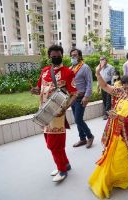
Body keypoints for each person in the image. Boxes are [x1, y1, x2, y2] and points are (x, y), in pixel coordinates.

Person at [89, 67, 128, 199]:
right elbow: (104, 86)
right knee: (110, 158)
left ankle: (123, 179)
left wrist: (119, 117)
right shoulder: (122, 93)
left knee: (119, 160)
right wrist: (97, 73)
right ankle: (111, 179)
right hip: (114, 132)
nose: (126, 91)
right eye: (124, 88)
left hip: (126, 136)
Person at [31, 45, 77, 182]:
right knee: (50, 142)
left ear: (62, 55)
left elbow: (75, 94)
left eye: (58, 55)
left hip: (57, 114)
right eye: (53, 55)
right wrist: (35, 90)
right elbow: (39, 88)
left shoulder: (68, 72)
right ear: (49, 57)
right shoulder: (45, 71)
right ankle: (65, 164)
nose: (56, 57)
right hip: (44, 112)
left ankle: (62, 170)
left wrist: (65, 108)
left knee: (54, 144)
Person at [69, 49, 94, 148]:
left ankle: (90, 136)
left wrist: (86, 97)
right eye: (71, 55)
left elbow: (89, 83)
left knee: (78, 120)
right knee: (77, 119)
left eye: (75, 55)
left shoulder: (85, 67)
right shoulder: (70, 68)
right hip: (73, 98)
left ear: (80, 56)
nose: (73, 57)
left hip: (81, 97)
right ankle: (82, 139)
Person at [98, 56, 115, 120]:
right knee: (104, 99)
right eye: (100, 60)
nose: (101, 61)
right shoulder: (99, 68)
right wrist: (98, 86)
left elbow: (113, 77)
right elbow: (99, 76)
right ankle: (106, 112)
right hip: (102, 84)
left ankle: (106, 114)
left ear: (106, 60)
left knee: (108, 99)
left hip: (108, 84)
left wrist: (112, 86)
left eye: (103, 59)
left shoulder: (111, 67)